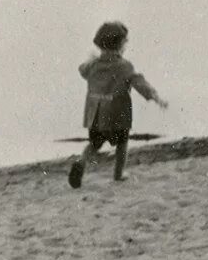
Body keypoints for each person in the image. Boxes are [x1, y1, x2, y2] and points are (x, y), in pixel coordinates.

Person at [68, 22, 168, 188]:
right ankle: (118, 174)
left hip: (96, 114)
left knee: (94, 144)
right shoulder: (124, 66)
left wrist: (90, 59)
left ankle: (81, 162)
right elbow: (139, 82)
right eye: (125, 42)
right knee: (122, 144)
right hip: (116, 114)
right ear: (121, 44)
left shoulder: (93, 65)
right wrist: (155, 97)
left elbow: (82, 70)